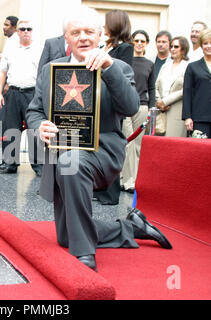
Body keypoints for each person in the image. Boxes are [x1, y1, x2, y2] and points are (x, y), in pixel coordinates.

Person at [27, 6, 171, 272]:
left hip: (102, 152)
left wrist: (109, 68)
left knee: (73, 162)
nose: (83, 37)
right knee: (65, 236)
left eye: (89, 31)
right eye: (75, 32)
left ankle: (85, 256)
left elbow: (130, 107)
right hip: (60, 155)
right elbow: (34, 110)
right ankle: (130, 228)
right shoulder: (50, 70)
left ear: (101, 35)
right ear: (65, 38)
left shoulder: (120, 68)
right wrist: (39, 127)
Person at [94, 9, 133, 205]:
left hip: (115, 100)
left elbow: (122, 75)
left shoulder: (125, 48)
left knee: (111, 146)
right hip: (99, 98)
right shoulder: (106, 45)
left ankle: (110, 195)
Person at [0, 19, 43, 176]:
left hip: (33, 93)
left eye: (29, 29)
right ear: (18, 31)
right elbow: (2, 72)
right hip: (13, 93)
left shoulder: (40, 48)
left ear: (32, 31)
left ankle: (38, 166)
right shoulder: (10, 48)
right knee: (10, 129)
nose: (26, 31)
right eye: (23, 29)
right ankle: (10, 163)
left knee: (34, 130)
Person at [121, 30, 155, 193]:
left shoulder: (150, 63)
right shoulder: (125, 61)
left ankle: (133, 179)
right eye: (137, 40)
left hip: (142, 106)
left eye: (143, 41)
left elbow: (151, 87)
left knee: (138, 145)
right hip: (126, 106)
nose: (140, 43)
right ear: (132, 42)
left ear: (147, 43)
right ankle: (127, 180)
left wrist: (152, 107)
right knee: (128, 142)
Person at [155, 36, 190, 137]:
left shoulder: (188, 66)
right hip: (161, 111)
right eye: (171, 47)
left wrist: (165, 101)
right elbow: (156, 86)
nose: (173, 49)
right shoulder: (165, 66)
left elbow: (186, 89)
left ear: (183, 49)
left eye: (176, 46)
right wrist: (159, 101)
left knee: (174, 145)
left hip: (176, 111)